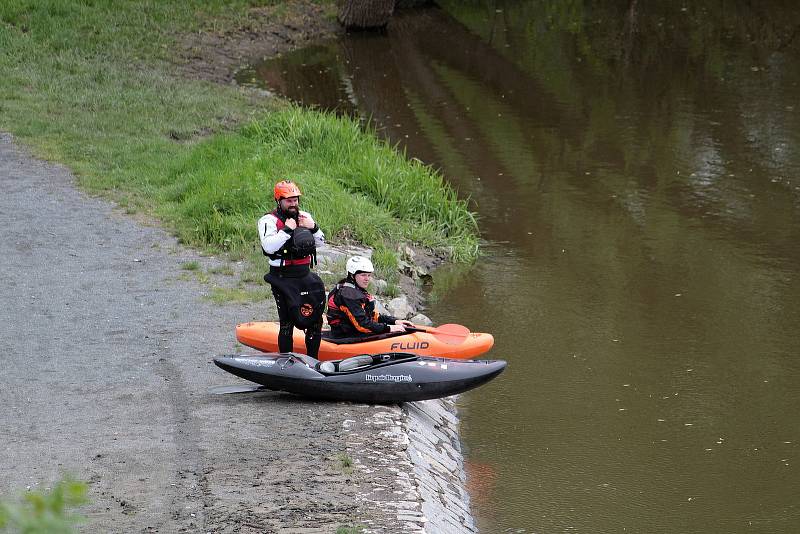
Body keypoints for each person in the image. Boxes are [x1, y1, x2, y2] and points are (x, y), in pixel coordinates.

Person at [258, 180, 326, 357]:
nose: (294, 204)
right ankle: (286, 362)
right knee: (287, 323)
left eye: (295, 200)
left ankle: (314, 361)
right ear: (278, 200)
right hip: (282, 277)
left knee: (314, 321)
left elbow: (320, 243)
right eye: (289, 200)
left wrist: (314, 227)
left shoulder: (305, 216)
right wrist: (287, 230)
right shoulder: (268, 220)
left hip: (304, 275)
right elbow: (268, 247)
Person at [326, 255, 414, 338]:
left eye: (368, 275)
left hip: (353, 330)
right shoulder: (349, 295)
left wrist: (394, 321)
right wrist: (388, 328)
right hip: (344, 335)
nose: (367, 279)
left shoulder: (356, 289)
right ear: (352, 276)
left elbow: (372, 316)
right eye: (363, 275)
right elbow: (362, 325)